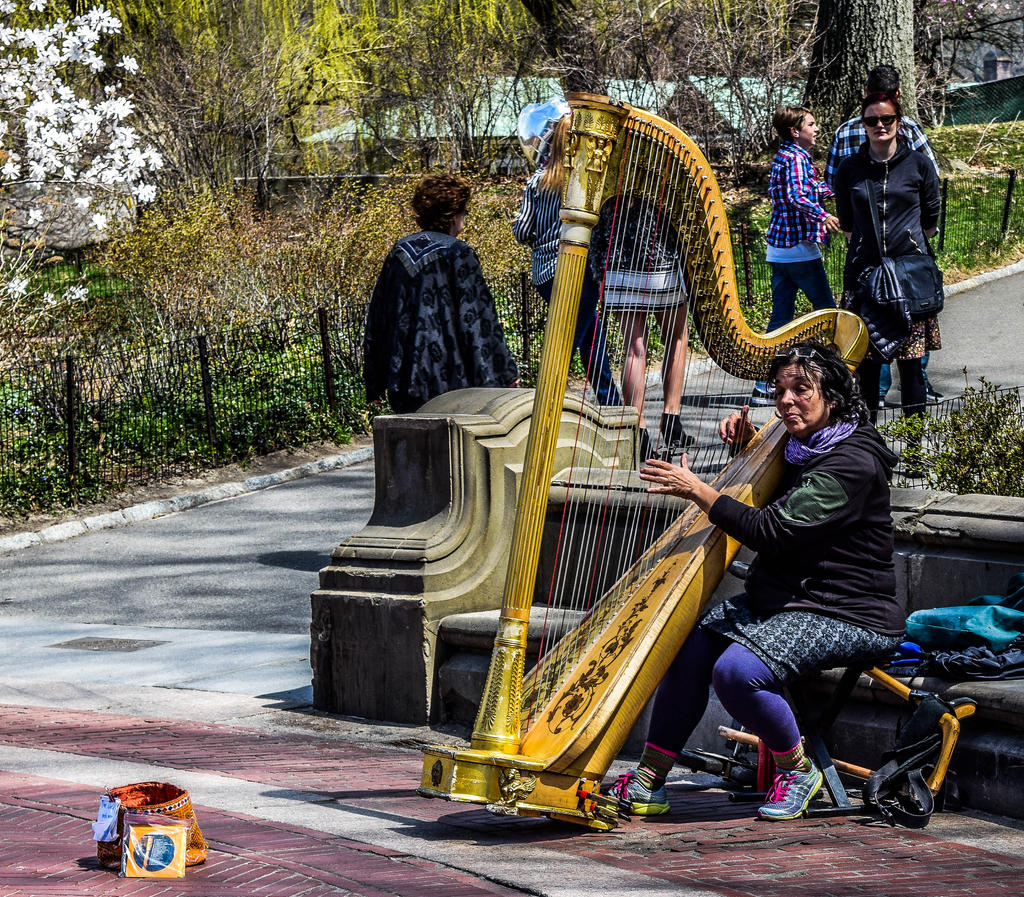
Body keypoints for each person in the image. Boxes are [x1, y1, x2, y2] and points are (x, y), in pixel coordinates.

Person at [607, 341, 904, 820]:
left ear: (832, 396)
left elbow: (774, 532)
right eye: (780, 390)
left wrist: (699, 491)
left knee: (736, 672)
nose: (787, 401)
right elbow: (780, 477)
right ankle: (648, 780)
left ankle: (797, 769)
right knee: (689, 648)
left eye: (801, 389)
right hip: (789, 599)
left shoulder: (851, 463)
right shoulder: (801, 443)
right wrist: (748, 443)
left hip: (848, 610)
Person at [825, 64, 942, 407]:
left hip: (909, 277)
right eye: (871, 121)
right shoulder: (851, 169)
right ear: (863, 125)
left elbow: (930, 217)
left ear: (898, 122)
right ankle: (871, 450)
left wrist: (907, 246)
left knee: (911, 370)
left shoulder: (919, 165)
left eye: (886, 120)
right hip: (866, 276)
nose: (879, 126)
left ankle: (916, 449)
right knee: (867, 370)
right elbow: (847, 223)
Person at [362, 173, 519, 413]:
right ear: (454, 214)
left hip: (405, 381)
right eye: (464, 213)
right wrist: (504, 374)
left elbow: (378, 319)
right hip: (452, 383)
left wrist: (375, 382)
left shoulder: (399, 253)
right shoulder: (459, 253)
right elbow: (478, 323)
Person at [512, 101, 622, 406]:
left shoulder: (536, 183)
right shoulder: (581, 180)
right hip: (580, 274)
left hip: (545, 274)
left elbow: (522, 231)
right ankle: (547, 405)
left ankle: (611, 404)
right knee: (569, 345)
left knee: (590, 339)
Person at [589, 194, 694, 456]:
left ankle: (639, 430)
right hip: (658, 261)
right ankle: (671, 417)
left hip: (615, 266)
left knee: (634, 349)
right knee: (677, 337)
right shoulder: (657, 174)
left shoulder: (605, 167)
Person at [752, 106, 842, 405]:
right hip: (798, 251)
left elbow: (811, 187)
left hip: (780, 251)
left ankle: (764, 385)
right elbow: (796, 196)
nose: (816, 129)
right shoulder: (794, 157)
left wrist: (840, 185)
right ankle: (836, 375)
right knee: (828, 312)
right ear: (795, 131)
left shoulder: (791, 157)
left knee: (780, 319)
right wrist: (821, 215)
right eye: (811, 124)